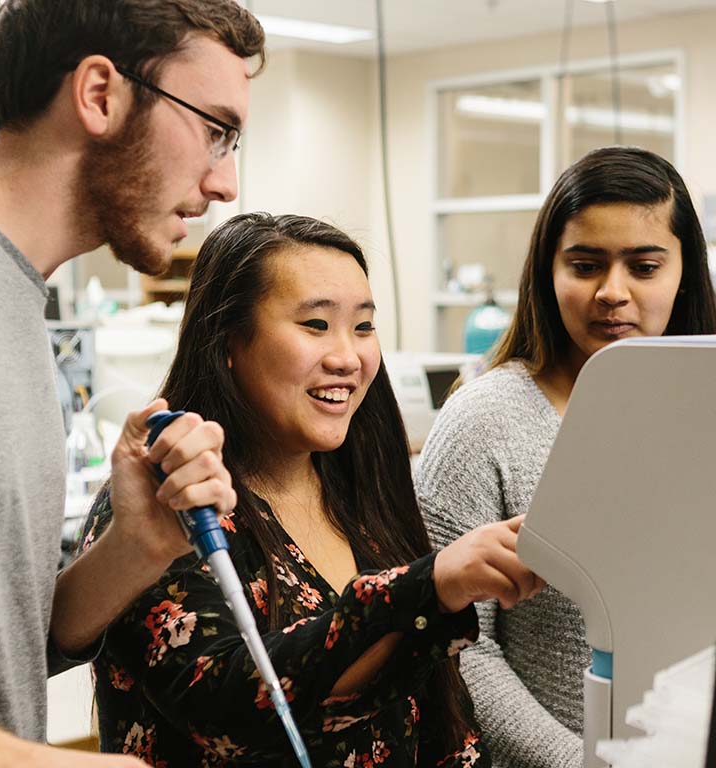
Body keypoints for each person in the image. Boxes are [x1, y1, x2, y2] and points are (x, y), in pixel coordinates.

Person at [78, 213, 545, 766]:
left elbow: (436, 718)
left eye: (364, 327)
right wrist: (429, 588)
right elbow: (228, 709)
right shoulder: (166, 507)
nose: (348, 357)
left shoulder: (363, 494)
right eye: (316, 325)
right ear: (228, 341)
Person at [0, 2, 265, 766]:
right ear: (99, 95)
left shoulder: (13, 296)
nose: (225, 183)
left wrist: (137, 544)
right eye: (216, 130)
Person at [415, 145, 716, 768]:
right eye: (585, 265)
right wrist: (577, 762)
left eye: (644, 265)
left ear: (684, 269)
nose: (613, 292)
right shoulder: (482, 421)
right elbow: (460, 648)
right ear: (546, 273)